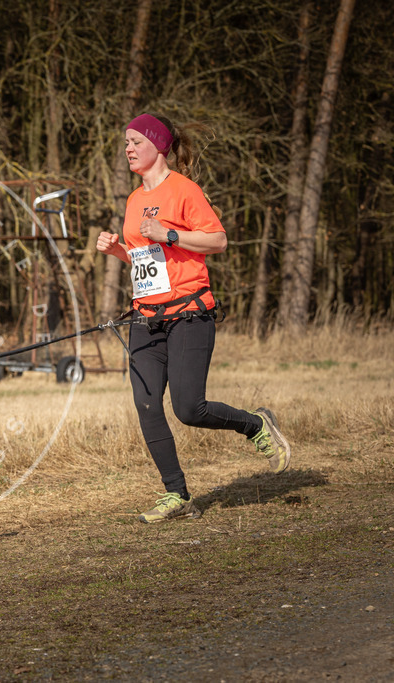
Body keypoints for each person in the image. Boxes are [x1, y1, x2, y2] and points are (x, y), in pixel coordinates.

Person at [96, 112, 291, 523]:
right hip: (145, 318)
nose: (128, 149)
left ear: (159, 146)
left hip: (189, 314)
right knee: (147, 405)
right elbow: (144, 260)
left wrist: (168, 233)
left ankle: (254, 424)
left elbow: (218, 240)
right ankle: (176, 495)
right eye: (126, 143)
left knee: (189, 408)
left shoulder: (184, 191)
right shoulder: (133, 200)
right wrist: (117, 249)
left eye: (136, 142)